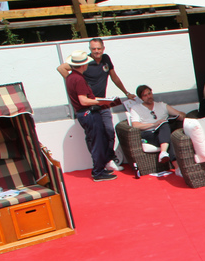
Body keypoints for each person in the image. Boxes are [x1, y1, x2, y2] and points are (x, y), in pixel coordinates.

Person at [62, 50, 117, 181]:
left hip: (84, 113)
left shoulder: (71, 77)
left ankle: (99, 169)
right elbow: (83, 100)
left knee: (97, 140)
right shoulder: (79, 79)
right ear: (83, 65)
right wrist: (102, 101)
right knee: (97, 142)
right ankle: (98, 172)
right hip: (88, 112)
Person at [126, 85, 187, 171]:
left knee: (165, 126)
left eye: (149, 93)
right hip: (149, 133)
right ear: (141, 98)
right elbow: (135, 125)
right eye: (145, 95)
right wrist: (154, 124)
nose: (149, 96)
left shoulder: (161, 105)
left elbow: (182, 114)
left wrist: (179, 116)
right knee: (168, 136)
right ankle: (176, 166)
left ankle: (164, 153)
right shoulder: (136, 108)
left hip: (164, 132)